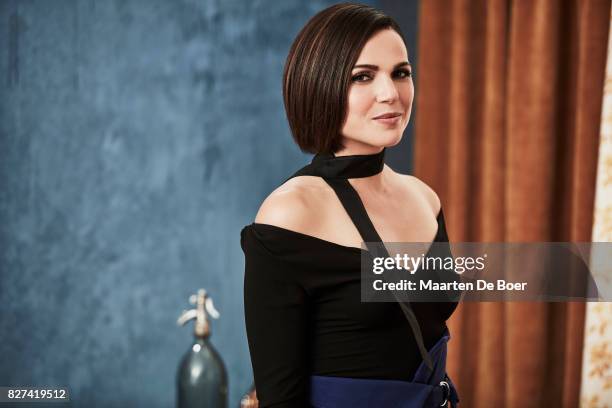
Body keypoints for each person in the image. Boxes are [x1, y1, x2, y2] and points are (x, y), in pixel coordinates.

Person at [240, 3, 460, 407]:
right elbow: (280, 396)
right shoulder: (291, 211)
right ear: (319, 85)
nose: (390, 93)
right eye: (363, 76)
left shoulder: (424, 197)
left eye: (401, 72)